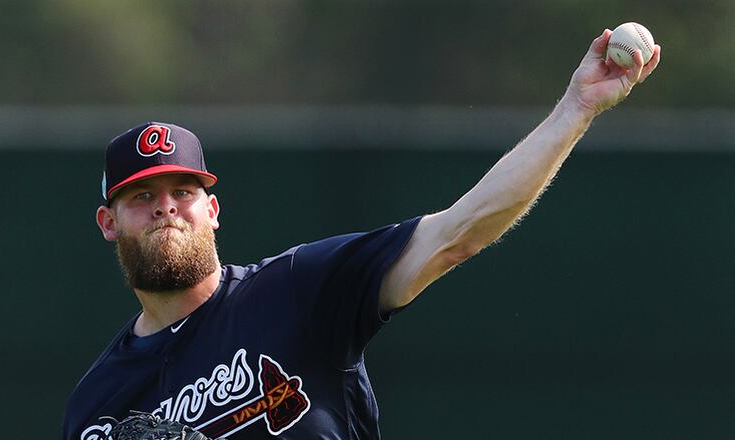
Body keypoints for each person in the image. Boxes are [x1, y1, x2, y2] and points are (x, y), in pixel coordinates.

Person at [62, 29, 660, 440]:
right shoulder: (96, 407)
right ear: (109, 222)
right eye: (143, 197)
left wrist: (574, 109)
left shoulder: (297, 292)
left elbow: (459, 232)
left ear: (212, 210)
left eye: (183, 193)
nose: (167, 208)